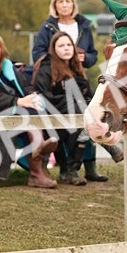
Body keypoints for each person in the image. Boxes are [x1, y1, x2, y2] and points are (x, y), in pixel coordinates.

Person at [32, 0, 119, 181]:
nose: (64, 5)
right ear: (55, 5)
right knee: (80, 114)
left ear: (73, 4)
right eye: (60, 1)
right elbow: (36, 54)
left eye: (68, 1)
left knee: (89, 108)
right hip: (55, 79)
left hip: (78, 74)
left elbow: (92, 55)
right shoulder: (48, 27)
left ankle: (88, 167)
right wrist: (58, 57)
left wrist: (81, 58)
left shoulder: (84, 25)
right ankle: (73, 167)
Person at [0, 31, 58, 188]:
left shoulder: (8, 68)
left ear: (1, 50)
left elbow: (25, 86)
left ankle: (38, 163)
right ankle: (37, 166)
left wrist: (32, 97)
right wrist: (19, 101)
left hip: (14, 114)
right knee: (29, 113)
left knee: (35, 110)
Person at [32, 32, 92, 185]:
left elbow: (89, 96)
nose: (66, 48)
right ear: (53, 49)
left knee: (83, 122)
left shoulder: (77, 69)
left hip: (76, 117)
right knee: (77, 114)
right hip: (50, 116)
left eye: (68, 45)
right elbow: (42, 96)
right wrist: (70, 99)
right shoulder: (46, 67)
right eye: (61, 45)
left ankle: (72, 170)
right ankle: (66, 169)